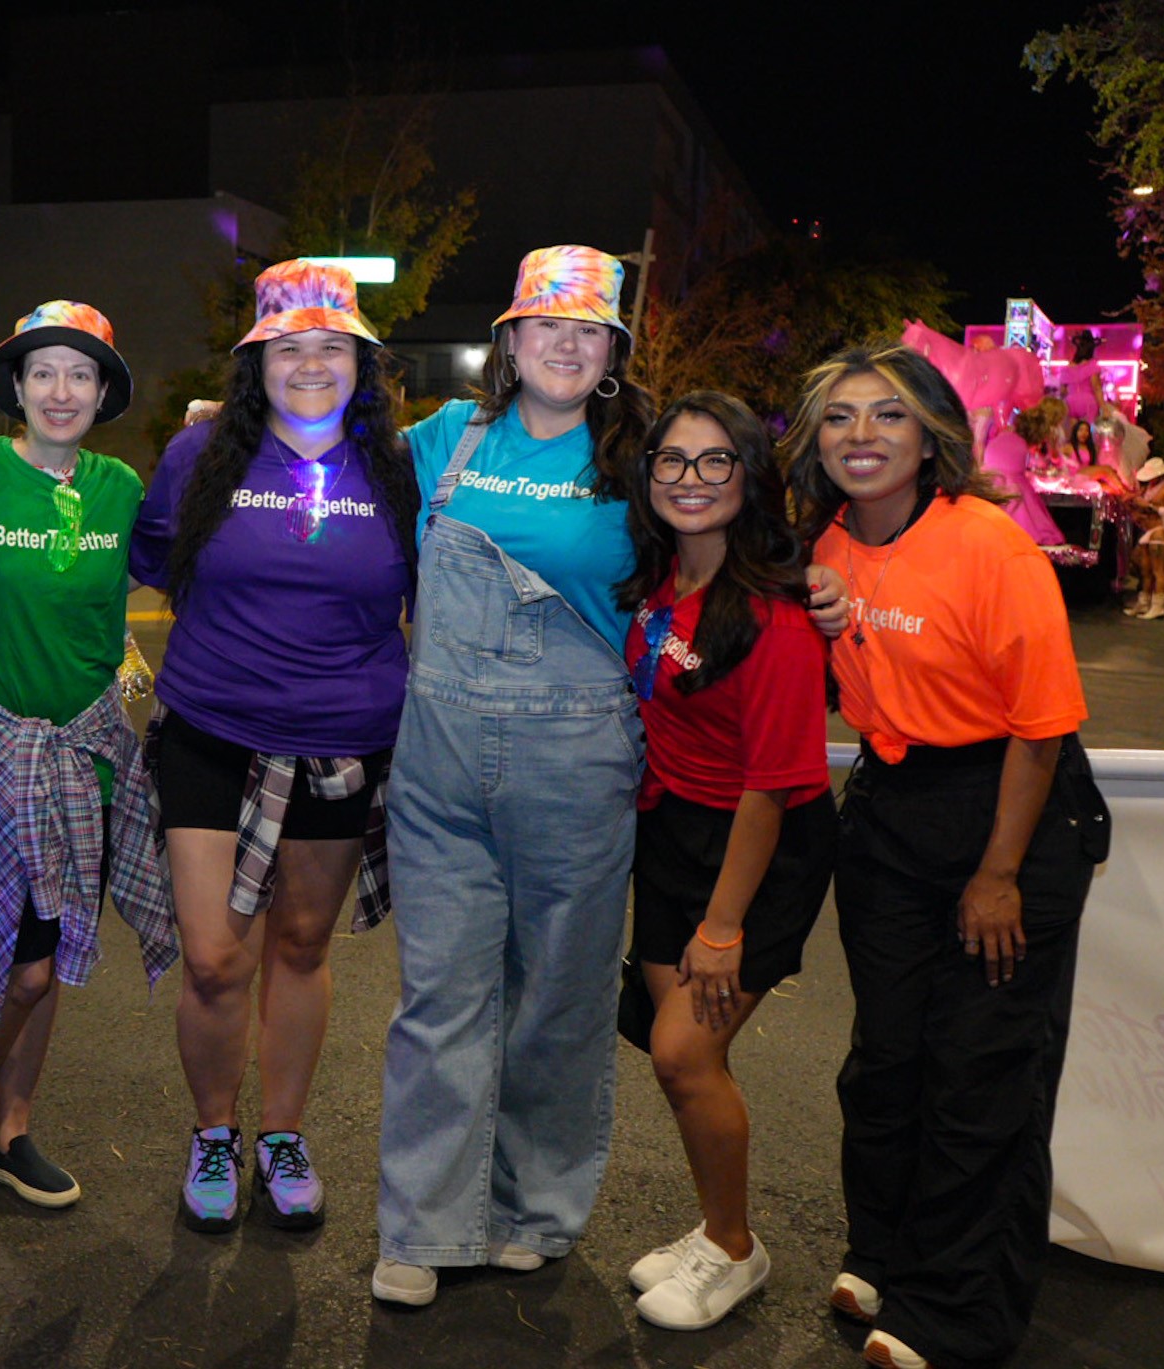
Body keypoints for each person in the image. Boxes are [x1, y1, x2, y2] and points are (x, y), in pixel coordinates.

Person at [785, 343, 1104, 1369]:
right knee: (886, 1059)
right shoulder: (822, 545)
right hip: (889, 814)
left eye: (886, 416)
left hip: (1006, 816)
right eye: (838, 418)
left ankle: (958, 1312)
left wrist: (997, 872)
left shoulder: (990, 546)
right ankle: (882, 1253)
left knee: (979, 1076)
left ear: (929, 436)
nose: (860, 436)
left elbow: (1039, 724)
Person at [371, 245, 656, 1308]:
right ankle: (422, 1224)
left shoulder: (637, 456)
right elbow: (342, 510)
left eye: (588, 329)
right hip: (438, 759)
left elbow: (726, 551)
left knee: (558, 998)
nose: (566, 343)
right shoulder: (446, 440)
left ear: (613, 350)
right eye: (547, 324)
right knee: (440, 995)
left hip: (576, 760)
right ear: (509, 339)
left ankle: (536, 1205)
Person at [130, 260, 418, 1234]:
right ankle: (213, 1131)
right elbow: (143, 554)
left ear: (360, 361)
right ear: (257, 362)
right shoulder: (200, 454)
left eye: (330, 345)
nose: (309, 362)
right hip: (211, 730)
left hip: (343, 742)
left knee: (299, 945)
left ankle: (280, 1135)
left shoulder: (397, 466)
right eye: (287, 346)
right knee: (213, 957)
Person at [0, 302, 179, 1216]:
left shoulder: (121, 488)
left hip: (88, 756)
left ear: (103, 392)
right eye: (43, 372)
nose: (61, 391)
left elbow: (193, 534)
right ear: (15, 389)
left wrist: (218, 431)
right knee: (12, 956)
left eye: (81, 374)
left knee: (51, 946)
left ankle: (10, 1126)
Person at [617, 392, 836, 1331]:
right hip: (672, 833)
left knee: (684, 1049)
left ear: (750, 479)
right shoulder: (663, 580)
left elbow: (773, 785)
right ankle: (715, 1228)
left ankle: (737, 1250)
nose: (691, 479)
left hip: (757, 849)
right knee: (676, 1064)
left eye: (715, 462)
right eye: (673, 459)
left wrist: (721, 925)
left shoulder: (775, 617)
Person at [1127, 456, 1164, 619]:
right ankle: (1143, 602)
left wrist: (1150, 506)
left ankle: (1158, 606)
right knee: (1145, 569)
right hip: (1149, 530)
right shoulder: (1150, 488)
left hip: (1160, 531)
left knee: (1158, 570)